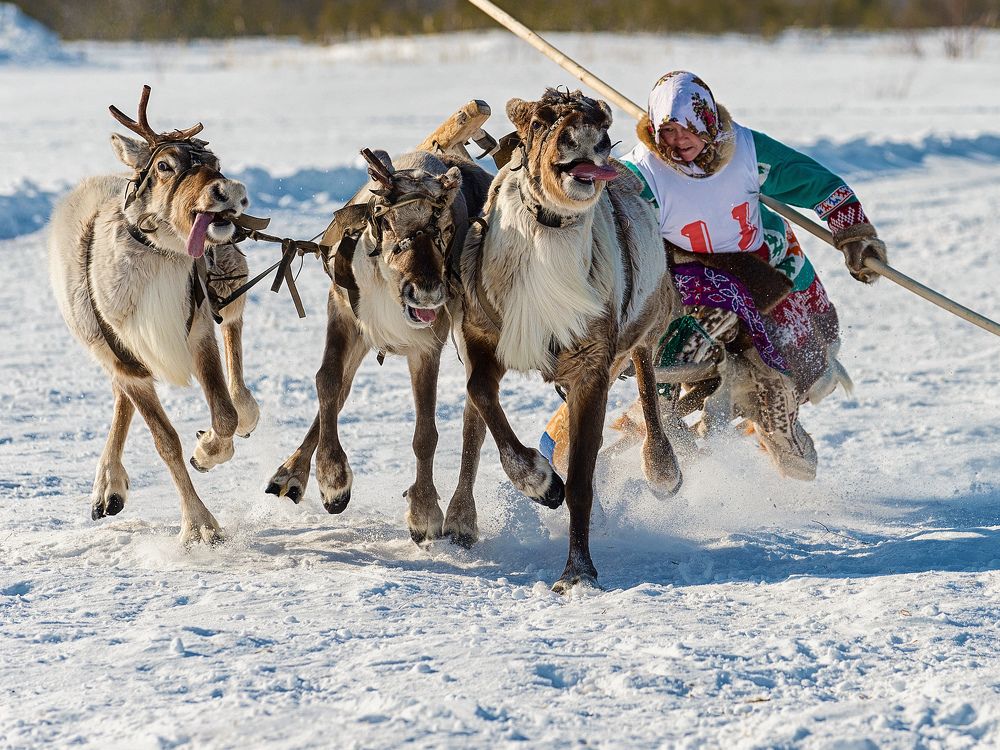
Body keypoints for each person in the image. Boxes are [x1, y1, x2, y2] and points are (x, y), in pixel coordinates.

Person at [541, 70, 887, 480]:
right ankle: (637, 414)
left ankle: (770, 415)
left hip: (761, 266)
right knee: (659, 346)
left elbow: (817, 183)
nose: (678, 141)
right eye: (667, 131)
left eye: (688, 128)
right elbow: (604, 212)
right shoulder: (644, 172)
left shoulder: (746, 151)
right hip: (685, 276)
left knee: (803, 365)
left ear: (708, 122)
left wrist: (855, 234)